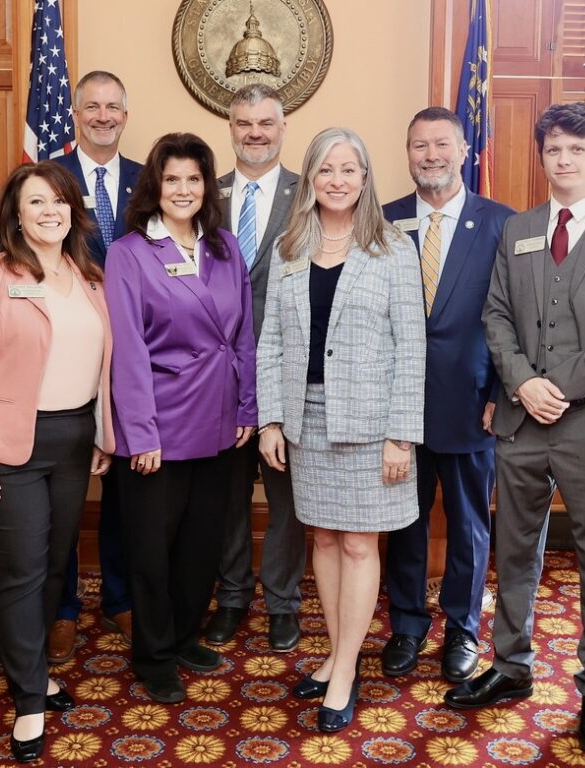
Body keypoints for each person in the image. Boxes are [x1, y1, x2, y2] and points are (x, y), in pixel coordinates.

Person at [444, 102, 585, 756]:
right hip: (521, 421)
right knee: (514, 552)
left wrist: (559, 387)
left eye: (575, 149)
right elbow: (497, 315)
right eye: (553, 150)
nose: (562, 160)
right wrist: (522, 383)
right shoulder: (519, 229)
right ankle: (510, 666)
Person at [0, 161, 114, 763]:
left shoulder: (88, 275)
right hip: (7, 444)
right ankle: (29, 698)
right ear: (15, 214)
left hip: (73, 442)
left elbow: (100, 366)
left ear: (74, 211)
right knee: (20, 572)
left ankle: (35, 667)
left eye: (59, 202)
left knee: (52, 567)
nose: (50, 211)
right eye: (36, 202)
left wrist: (100, 432)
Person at [257, 127, 426, 732]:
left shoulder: (392, 248)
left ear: (365, 178)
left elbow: (412, 349)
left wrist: (400, 434)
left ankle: (347, 669)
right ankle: (334, 653)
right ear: (310, 177)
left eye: (349, 169)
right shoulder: (288, 246)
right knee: (323, 541)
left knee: (359, 543)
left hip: (372, 422)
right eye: (326, 169)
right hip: (305, 418)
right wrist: (270, 418)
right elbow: (271, 341)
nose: (337, 180)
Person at [106, 132, 257, 704]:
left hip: (221, 422)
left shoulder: (224, 246)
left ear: (206, 186)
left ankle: (184, 634)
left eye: (194, 179)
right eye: (172, 179)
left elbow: (242, 333)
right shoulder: (128, 254)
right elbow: (128, 350)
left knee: (201, 546)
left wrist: (248, 407)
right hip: (160, 427)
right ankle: (152, 653)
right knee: (151, 550)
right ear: (155, 185)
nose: (184, 189)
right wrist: (139, 432)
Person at [380, 107, 514, 683]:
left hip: (472, 404)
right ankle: (407, 625)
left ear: (464, 150)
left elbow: (517, 320)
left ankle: (462, 629)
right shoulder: (380, 223)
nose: (430, 155)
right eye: (418, 146)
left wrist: (503, 396)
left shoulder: (503, 224)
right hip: (399, 407)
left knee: (468, 525)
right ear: (406, 153)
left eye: (441, 144)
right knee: (403, 525)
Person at [206, 83, 303, 652]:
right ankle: (233, 595)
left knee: (287, 496)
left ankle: (283, 603)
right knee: (226, 496)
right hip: (217, 378)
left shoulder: (309, 195)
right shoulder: (204, 195)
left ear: (283, 127)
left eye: (266, 122)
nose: (255, 133)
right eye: (244, 123)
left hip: (287, 372)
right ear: (231, 129)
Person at [49, 70, 142, 661]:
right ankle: (60, 609)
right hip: (68, 351)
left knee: (128, 488)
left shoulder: (146, 180)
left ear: (125, 115)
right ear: (76, 114)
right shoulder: (50, 179)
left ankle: (120, 597)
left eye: (113, 106)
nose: (103, 116)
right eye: (92, 107)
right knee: (60, 491)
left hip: (135, 354)